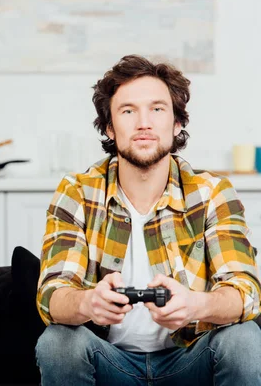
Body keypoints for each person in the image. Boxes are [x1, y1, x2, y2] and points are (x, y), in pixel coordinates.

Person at [35, 55, 261, 386]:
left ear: (177, 123)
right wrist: (87, 302)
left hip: (190, 358)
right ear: (110, 127)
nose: (144, 123)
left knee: (244, 339)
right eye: (128, 111)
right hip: (109, 361)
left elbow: (246, 292)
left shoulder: (212, 192)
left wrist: (195, 305)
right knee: (59, 342)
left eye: (157, 109)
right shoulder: (78, 192)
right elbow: (51, 295)